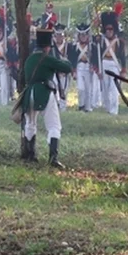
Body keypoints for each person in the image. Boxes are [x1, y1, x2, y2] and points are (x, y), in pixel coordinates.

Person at [20, 27, 74, 167]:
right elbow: (67, 68)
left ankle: (30, 155)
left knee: (30, 124)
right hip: (44, 92)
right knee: (54, 126)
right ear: (47, 47)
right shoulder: (47, 58)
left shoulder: (29, 59)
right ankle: (53, 158)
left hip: (29, 93)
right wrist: (63, 59)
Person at [98, 7, 127, 116]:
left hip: (115, 65)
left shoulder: (120, 42)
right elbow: (97, 56)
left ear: (114, 30)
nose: (109, 31)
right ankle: (107, 109)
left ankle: (114, 111)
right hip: (104, 64)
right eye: (107, 30)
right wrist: (98, 69)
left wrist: (123, 69)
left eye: (111, 30)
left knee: (114, 89)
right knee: (105, 88)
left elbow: (123, 57)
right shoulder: (100, 41)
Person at [68, 23, 96, 112]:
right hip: (79, 67)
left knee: (88, 88)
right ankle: (81, 105)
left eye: (85, 35)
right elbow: (72, 59)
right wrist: (73, 71)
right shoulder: (74, 46)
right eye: (81, 35)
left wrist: (93, 67)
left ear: (88, 35)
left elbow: (95, 58)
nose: (83, 37)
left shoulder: (92, 46)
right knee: (81, 88)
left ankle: (87, 107)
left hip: (88, 68)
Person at [51, 23, 70, 111]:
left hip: (64, 71)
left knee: (64, 89)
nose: (59, 37)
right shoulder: (53, 47)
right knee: (54, 88)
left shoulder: (68, 46)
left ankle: (63, 107)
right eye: (57, 35)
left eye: (61, 35)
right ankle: (55, 105)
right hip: (55, 70)